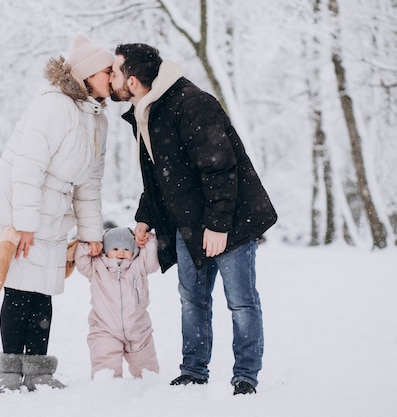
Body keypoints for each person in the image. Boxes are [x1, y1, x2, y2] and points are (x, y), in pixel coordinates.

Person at [109, 43, 278, 395]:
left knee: (241, 301)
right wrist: (145, 217)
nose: (111, 78)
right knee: (193, 299)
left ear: (135, 81)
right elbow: (161, 176)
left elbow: (220, 167)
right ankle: (193, 370)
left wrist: (218, 225)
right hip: (188, 223)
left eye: (115, 72)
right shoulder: (148, 112)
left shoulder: (191, 103)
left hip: (230, 219)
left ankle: (246, 375)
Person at [0, 34, 113, 394]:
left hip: (56, 213)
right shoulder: (54, 105)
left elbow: (90, 184)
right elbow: (28, 168)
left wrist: (92, 233)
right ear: (89, 75)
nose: (112, 77)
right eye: (107, 71)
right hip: (23, 207)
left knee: (42, 291)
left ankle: (39, 371)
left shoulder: (98, 120)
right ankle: (10, 370)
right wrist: (24, 225)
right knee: (18, 290)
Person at [74, 226, 161, 379]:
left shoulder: (139, 265)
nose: (121, 253)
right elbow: (81, 260)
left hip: (138, 329)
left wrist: (149, 240)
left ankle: (148, 387)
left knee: (147, 370)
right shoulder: (96, 267)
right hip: (104, 329)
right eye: (115, 248)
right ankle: (107, 385)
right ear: (105, 250)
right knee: (105, 365)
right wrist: (89, 245)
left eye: (126, 249)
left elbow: (152, 261)